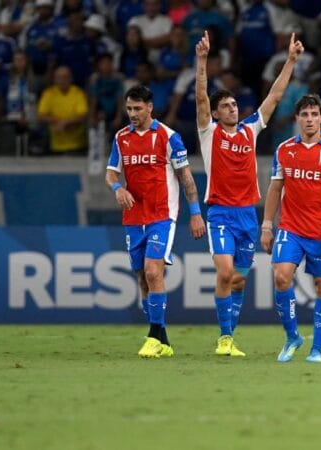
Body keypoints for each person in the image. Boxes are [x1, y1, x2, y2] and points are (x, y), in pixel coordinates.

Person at [194, 30, 303, 357]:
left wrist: (291, 61)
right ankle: (224, 339)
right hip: (220, 214)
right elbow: (201, 97)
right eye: (225, 106)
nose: (232, 109)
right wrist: (201, 61)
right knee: (225, 273)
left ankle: (231, 338)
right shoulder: (209, 133)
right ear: (215, 113)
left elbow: (275, 96)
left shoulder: (249, 129)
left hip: (247, 215)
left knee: (238, 281)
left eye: (233, 104)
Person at [105, 85, 206, 358]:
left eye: (138, 109)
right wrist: (119, 189)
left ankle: (152, 337)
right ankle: (163, 339)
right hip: (133, 216)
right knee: (142, 278)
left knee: (153, 271)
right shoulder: (121, 138)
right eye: (129, 109)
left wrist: (195, 213)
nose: (133, 114)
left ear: (150, 107)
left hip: (162, 214)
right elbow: (111, 174)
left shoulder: (168, 137)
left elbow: (186, 178)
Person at [261, 94, 321, 363]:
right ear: (297, 119)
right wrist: (267, 225)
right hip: (290, 227)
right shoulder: (284, 149)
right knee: (281, 277)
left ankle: (317, 349)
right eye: (304, 115)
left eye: (314, 114)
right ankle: (292, 337)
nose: (310, 119)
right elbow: (275, 188)